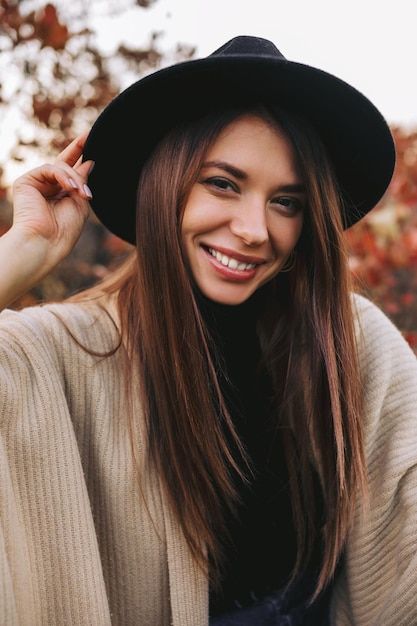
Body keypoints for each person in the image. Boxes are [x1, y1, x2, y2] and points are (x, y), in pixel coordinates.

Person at [0, 35, 416, 626]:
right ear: (167, 183)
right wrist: (21, 253)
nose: (253, 229)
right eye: (223, 183)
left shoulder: (351, 340)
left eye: (287, 201)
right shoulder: (64, 351)